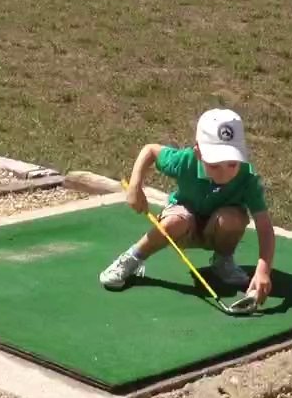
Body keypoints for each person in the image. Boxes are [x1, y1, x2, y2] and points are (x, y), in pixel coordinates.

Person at [99, 108, 275, 306]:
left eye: (232, 164)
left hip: (218, 230)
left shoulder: (247, 177)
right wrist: (135, 186)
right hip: (183, 225)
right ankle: (133, 258)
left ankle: (223, 262)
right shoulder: (185, 161)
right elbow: (150, 150)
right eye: (215, 165)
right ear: (198, 153)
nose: (224, 173)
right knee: (175, 221)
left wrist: (263, 270)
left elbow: (264, 226)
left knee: (233, 219)